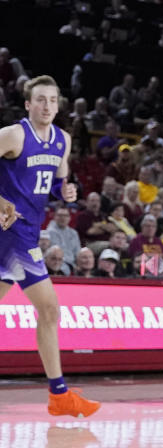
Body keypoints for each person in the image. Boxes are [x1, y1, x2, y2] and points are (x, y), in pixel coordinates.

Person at [0, 75, 99, 416]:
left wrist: (65, 193)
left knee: (47, 311)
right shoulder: (14, 134)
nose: (47, 106)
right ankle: (59, 395)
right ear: (28, 104)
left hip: (25, 234)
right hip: (10, 234)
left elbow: (56, 184)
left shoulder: (63, 141)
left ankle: (59, 396)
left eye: (53, 100)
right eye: (40, 100)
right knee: (49, 309)